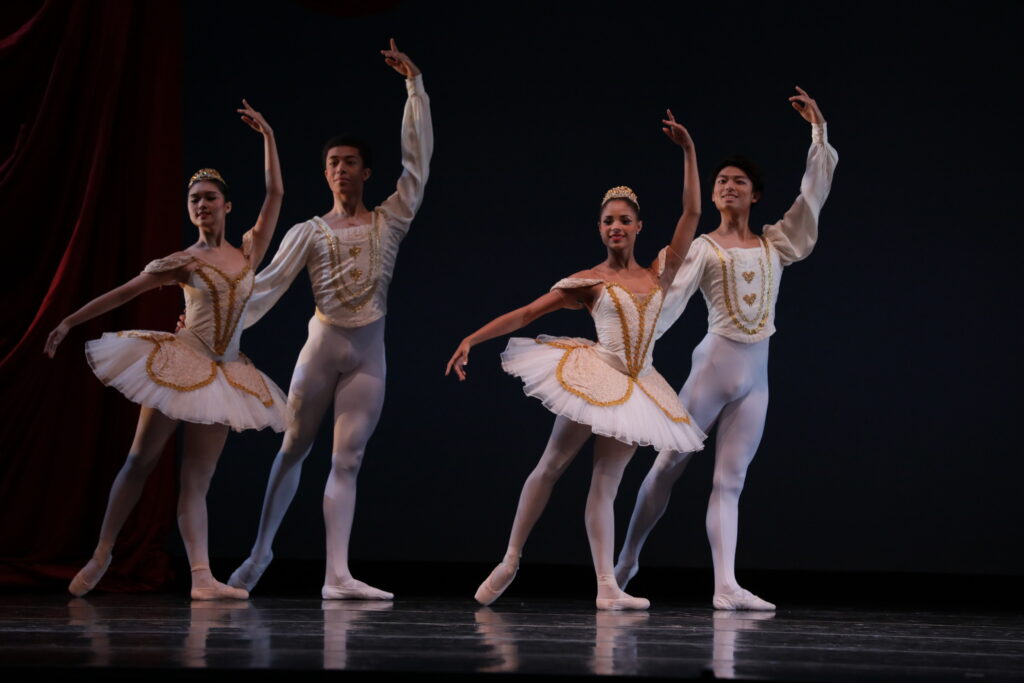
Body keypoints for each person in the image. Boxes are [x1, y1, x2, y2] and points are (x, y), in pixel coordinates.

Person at [446, 111, 706, 610]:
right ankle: (510, 558)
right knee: (552, 464)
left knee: (606, 482)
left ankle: (607, 586)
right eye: (608, 220)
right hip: (596, 375)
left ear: (638, 227)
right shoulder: (589, 281)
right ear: (600, 228)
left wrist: (689, 151)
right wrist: (472, 339)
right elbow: (526, 312)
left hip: (639, 385)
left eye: (624, 220)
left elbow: (692, 214)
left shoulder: (659, 274)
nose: (616, 226)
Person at [44, 100, 286, 600]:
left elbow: (276, 192)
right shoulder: (183, 260)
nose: (201, 205)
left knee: (198, 478)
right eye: (194, 199)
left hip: (226, 375)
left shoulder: (248, 251)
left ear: (227, 205)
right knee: (140, 460)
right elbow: (125, 292)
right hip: (181, 363)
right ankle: (102, 552)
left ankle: (201, 578)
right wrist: (69, 319)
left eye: (210, 198)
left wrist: (267, 136)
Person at [613, 87, 838, 610]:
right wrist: (633, 354)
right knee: (668, 465)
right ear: (713, 196)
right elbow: (667, 304)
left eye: (738, 182)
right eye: (721, 182)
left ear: (755, 195)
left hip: (756, 380)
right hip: (713, 368)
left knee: (730, 481)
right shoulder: (704, 249)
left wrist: (818, 131)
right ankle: (627, 560)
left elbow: (813, 196)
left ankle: (725, 586)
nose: (728, 187)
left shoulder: (775, 243)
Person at [225, 39, 432, 600]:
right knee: (294, 447)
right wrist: (217, 327)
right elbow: (263, 286)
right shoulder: (309, 232)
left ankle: (336, 575)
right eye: (332, 164)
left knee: (349, 458)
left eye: (349, 163)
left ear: (366, 171)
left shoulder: (389, 220)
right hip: (321, 350)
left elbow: (418, 164)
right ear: (325, 174)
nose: (340, 170)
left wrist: (414, 88)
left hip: (369, 355)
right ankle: (261, 551)